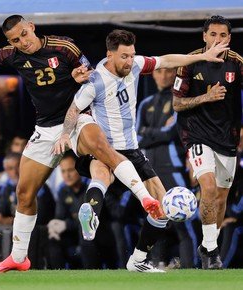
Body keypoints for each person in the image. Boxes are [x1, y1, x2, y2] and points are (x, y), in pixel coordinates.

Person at [0, 15, 164, 273]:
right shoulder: (11, 54)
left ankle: (145, 199)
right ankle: (19, 258)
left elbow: (91, 76)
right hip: (45, 128)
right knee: (24, 192)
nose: (22, 42)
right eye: (15, 39)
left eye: (23, 34)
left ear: (31, 26)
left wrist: (78, 76)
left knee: (104, 151)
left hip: (77, 119)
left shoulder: (64, 47)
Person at [54, 29, 229, 272]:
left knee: (163, 206)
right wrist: (64, 134)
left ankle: (137, 259)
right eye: (124, 56)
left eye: (131, 55)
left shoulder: (135, 64)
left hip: (132, 149)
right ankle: (91, 214)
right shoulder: (96, 81)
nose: (129, 61)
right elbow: (73, 110)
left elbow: (166, 60)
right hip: (105, 148)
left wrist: (203, 57)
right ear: (110, 54)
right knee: (102, 174)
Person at [172, 15, 243, 269]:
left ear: (229, 39)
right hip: (197, 135)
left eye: (222, 35)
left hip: (227, 138)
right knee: (209, 189)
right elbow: (177, 104)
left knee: (222, 199)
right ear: (204, 36)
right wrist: (206, 97)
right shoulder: (190, 63)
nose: (217, 39)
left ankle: (208, 244)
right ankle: (211, 252)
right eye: (212, 34)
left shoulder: (237, 63)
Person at [136, 68, 196, 268]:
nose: (163, 75)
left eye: (167, 71)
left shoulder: (179, 101)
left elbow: (172, 133)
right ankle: (156, 267)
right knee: (156, 221)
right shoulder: (145, 104)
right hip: (149, 171)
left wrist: (148, 132)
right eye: (159, 71)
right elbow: (136, 138)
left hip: (173, 169)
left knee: (183, 222)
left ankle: (192, 270)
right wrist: (156, 133)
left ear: (174, 75)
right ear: (153, 75)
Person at [47, 151, 117, 269]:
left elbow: (95, 219)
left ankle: (91, 274)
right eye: (63, 171)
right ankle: (56, 277)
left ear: (79, 170)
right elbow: (60, 217)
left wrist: (67, 224)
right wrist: (54, 226)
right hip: (73, 235)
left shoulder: (93, 188)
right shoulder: (63, 191)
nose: (67, 175)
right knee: (51, 237)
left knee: (85, 229)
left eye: (70, 170)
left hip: (99, 235)